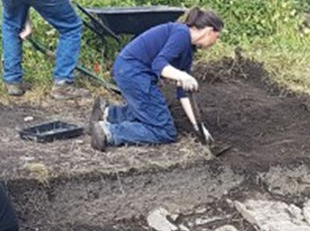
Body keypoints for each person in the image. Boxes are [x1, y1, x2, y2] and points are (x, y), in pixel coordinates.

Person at [87, 8, 224, 151]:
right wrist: (183, 76)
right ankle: (109, 132)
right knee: (164, 131)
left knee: (154, 108)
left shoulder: (187, 49)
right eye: (217, 36)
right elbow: (159, 65)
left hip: (128, 69)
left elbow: (183, 92)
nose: (217, 41)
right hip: (134, 73)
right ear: (209, 31)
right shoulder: (182, 34)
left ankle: (108, 113)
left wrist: (198, 125)